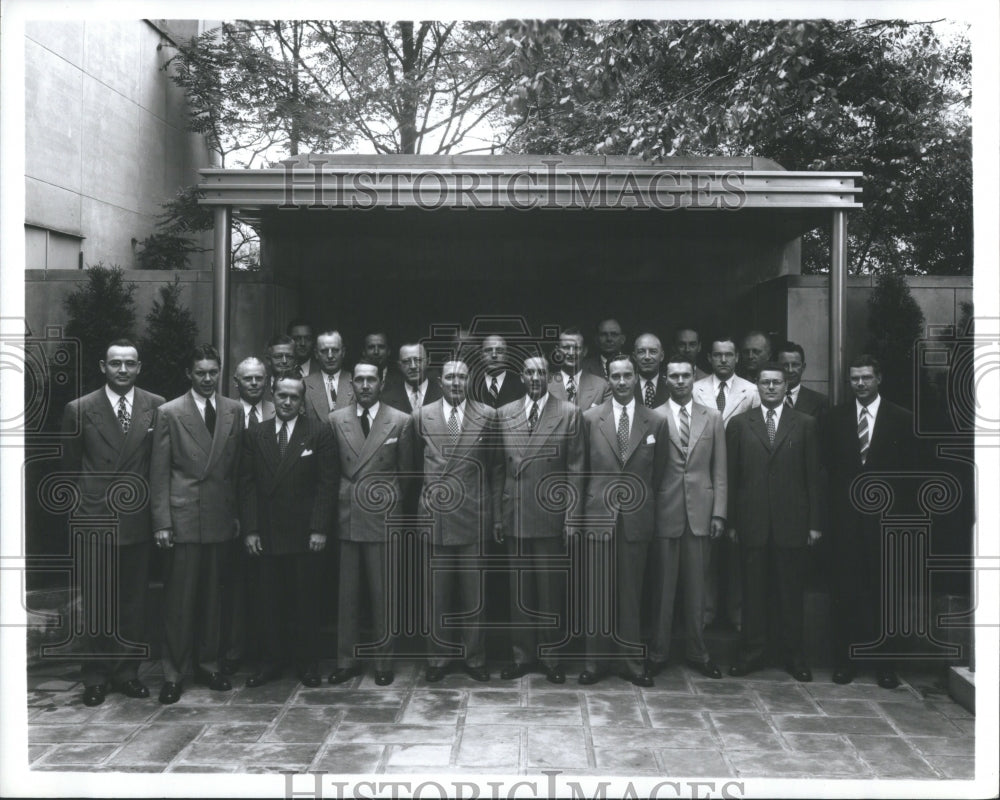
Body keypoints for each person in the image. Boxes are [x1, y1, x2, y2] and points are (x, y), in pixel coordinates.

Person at [60, 339, 165, 706]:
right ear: (103, 366)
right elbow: (69, 470)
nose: (123, 370)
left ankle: (127, 672)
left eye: (130, 363)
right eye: (116, 363)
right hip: (94, 520)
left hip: (137, 519)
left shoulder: (157, 406)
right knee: (98, 603)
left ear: (140, 367)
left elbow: (160, 465)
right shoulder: (80, 408)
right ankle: (95, 676)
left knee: (134, 601)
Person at [150, 344, 243, 704]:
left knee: (212, 600)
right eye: (200, 372)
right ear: (189, 374)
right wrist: (162, 522)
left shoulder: (233, 410)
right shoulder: (169, 412)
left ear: (220, 372)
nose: (207, 379)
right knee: (179, 601)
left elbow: (234, 472)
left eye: (213, 372)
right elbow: (158, 472)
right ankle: (173, 673)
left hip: (219, 518)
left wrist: (234, 515)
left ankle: (208, 665)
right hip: (184, 518)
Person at [824, 355, 921, 690]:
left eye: (866, 377)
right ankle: (845, 662)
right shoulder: (833, 418)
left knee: (886, 596)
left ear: (879, 378)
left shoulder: (902, 419)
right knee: (845, 593)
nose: (860, 384)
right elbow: (828, 474)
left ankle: (886, 666)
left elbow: (912, 477)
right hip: (846, 524)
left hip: (886, 524)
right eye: (854, 379)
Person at [238, 371, 337, 688]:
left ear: (302, 400)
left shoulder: (319, 432)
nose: (288, 402)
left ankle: (307, 664)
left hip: (305, 533)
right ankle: (270, 662)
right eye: (282, 395)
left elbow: (326, 485)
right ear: (273, 394)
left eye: (294, 397)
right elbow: (248, 485)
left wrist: (319, 528)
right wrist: (251, 530)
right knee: (268, 602)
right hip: (266, 531)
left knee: (305, 602)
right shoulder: (257, 433)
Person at [725, 364, 823, 682]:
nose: (770, 388)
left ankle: (794, 656)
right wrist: (731, 522)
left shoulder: (805, 424)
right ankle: (751, 654)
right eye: (764, 382)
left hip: (791, 523)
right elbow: (731, 476)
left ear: (786, 386)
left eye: (776, 383)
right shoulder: (740, 425)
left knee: (790, 592)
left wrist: (814, 524)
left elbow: (814, 477)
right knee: (752, 593)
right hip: (752, 522)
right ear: (757, 385)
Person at [578, 353, 668, 688]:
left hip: (635, 519)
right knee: (598, 594)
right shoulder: (589, 419)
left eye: (627, 375)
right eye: (615, 376)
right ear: (607, 377)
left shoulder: (655, 421)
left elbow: (657, 475)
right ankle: (594, 663)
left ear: (635, 378)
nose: (621, 382)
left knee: (632, 595)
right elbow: (582, 470)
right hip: (599, 516)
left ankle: (632, 663)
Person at [495, 355, 584, 685]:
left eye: (541, 372)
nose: (535, 377)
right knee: (520, 593)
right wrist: (498, 516)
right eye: (529, 371)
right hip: (515, 513)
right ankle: (522, 656)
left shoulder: (568, 413)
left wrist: (571, 518)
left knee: (549, 592)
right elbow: (498, 469)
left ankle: (551, 658)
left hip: (550, 516)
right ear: (521, 375)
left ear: (551, 377)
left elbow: (576, 470)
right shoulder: (505, 413)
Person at [412, 359, 502, 683]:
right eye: (450, 376)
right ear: (440, 380)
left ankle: (474, 657)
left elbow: (495, 467)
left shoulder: (487, 415)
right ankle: (437, 658)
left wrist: (494, 516)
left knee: (473, 595)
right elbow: (411, 467)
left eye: (462, 377)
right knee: (435, 594)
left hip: (473, 514)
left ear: (470, 380)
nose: (455, 382)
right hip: (435, 516)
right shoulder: (422, 415)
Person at [328, 361, 415, 688]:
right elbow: (332, 468)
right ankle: (346, 660)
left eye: (371, 380)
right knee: (347, 595)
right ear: (351, 383)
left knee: (383, 594)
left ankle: (383, 661)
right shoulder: (336, 420)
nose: (365, 385)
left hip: (382, 514)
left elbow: (406, 474)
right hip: (348, 513)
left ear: (382, 382)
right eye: (359, 380)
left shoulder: (400, 420)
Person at [648, 353, 727, 680]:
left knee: (697, 589)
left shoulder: (712, 417)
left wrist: (719, 513)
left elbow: (719, 470)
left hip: (700, 512)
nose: (680, 381)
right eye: (674, 376)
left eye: (685, 376)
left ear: (694, 377)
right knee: (663, 590)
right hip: (665, 512)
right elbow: (649, 472)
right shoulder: (652, 416)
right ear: (665, 379)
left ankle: (698, 652)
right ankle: (658, 653)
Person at [692, 335, 760, 630]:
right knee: (706, 551)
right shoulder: (695, 389)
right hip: (705, 476)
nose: (723, 360)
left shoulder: (752, 390)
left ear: (736, 358)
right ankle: (705, 613)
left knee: (736, 552)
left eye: (728, 355)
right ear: (710, 357)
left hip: (741, 477)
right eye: (718, 355)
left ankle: (737, 615)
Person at [220, 357, 275, 675]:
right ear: (236, 382)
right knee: (234, 585)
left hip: (270, 512)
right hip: (230, 510)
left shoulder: (280, 407)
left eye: (259, 378)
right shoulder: (227, 412)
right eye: (247, 379)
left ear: (267, 380)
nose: (254, 384)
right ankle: (233, 649)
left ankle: (265, 651)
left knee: (267, 586)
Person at [549, 328, 611, 410]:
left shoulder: (602, 386)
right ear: (557, 351)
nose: (571, 353)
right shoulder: (545, 385)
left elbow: (607, 419)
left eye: (576, 348)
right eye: (566, 347)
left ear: (585, 351)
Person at [302, 329, 354, 428]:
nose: (330, 356)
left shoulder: (356, 382)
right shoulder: (304, 384)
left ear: (343, 352)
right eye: (324, 351)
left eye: (335, 350)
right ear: (316, 354)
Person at [381, 342, 442, 413]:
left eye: (418, 360)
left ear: (428, 362)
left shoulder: (442, 395)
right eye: (406, 362)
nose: (413, 366)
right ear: (399, 365)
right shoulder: (386, 399)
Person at [470, 334, 526, 409]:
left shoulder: (521, 384)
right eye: (488, 350)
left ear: (507, 356)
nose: (494, 355)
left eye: (499, 351)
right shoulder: (470, 385)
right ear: (481, 357)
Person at [775, 341, 828, 417]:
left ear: (803, 367)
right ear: (777, 367)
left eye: (795, 365)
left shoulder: (819, 401)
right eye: (785, 365)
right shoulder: (765, 397)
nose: (790, 370)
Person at [633, 333, 669, 408]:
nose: (647, 357)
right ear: (634, 357)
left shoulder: (670, 385)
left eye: (653, 351)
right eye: (641, 352)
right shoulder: (627, 386)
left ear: (662, 356)